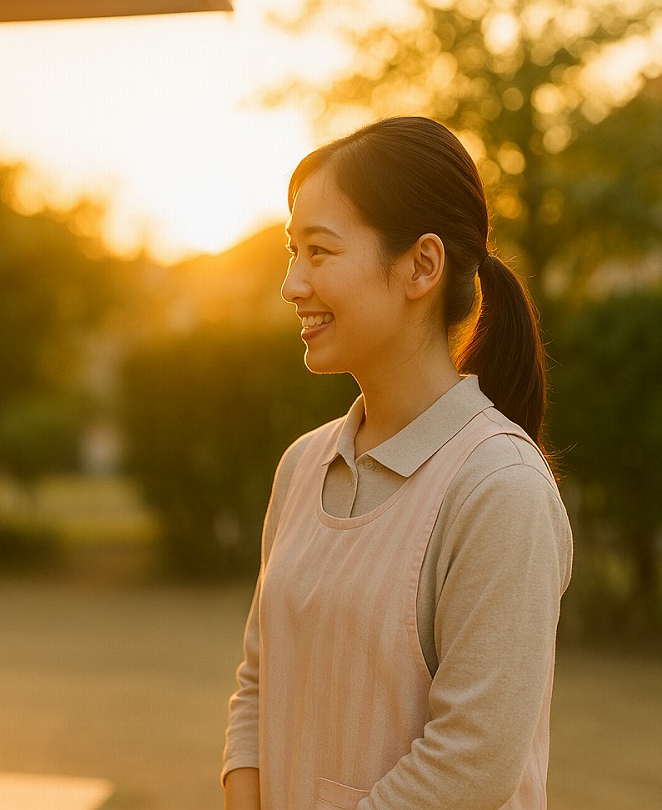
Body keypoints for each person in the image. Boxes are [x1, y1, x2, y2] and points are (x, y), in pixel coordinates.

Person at [222, 117, 573, 809]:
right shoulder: (302, 466)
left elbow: (470, 764)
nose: (293, 284)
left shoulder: (500, 488)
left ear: (422, 265)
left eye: (319, 251)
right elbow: (257, 687)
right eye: (292, 252)